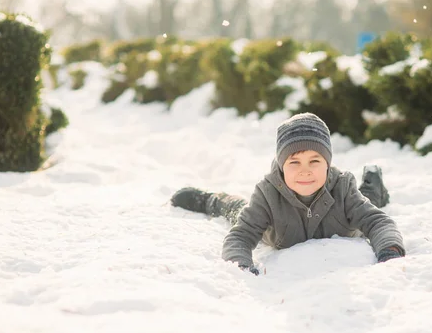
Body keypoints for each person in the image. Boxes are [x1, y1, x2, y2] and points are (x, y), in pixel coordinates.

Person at [171, 113, 406, 275]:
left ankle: (373, 183)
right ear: (282, 166)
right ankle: (211, 200)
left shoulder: (343, 188)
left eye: (314, 160)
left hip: (346, 218)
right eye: (295, 162)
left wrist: (390, 249)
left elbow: (377, 222)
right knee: (237, 211)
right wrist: (240, 265)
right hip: (273, 231)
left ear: (327, 164)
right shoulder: (268, 192)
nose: (305, 170)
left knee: (369, 204)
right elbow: (241, 236)